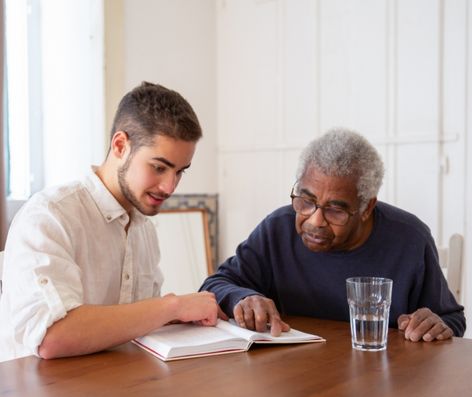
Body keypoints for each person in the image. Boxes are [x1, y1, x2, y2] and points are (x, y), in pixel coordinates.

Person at [0, 81, 226, 360]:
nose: (170, 187)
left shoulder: (143, 229)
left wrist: (177, 318)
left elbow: (131, 322)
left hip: (110, 390)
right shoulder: (49, 216)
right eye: (158, 167)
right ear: (120, 145)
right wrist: (172, 307)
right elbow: (52, 337)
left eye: (180, 172)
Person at [200, 128, 466, 341]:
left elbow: (451, 319)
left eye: (335, 210)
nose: (315, 221)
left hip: (382, 384)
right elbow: (215, 284)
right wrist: (243, 297)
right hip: (295, 383)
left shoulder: (410, 239)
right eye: (306, 201)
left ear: (366, 207)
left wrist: (433, 324)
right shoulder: (278, 229)